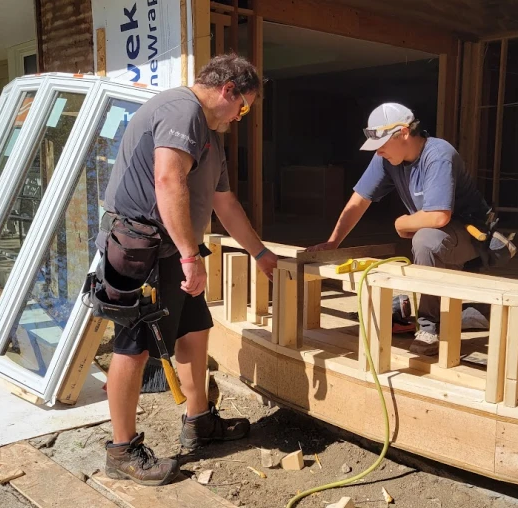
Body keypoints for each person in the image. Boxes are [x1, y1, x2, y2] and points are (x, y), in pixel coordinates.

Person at [96, 54, 278, 486]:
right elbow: (168, 181)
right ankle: (122, 451)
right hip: (145, 250)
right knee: (134, 347)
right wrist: (190, 258)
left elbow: (225, 203)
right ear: (228, 90)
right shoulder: (183, 111)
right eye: (243, 106)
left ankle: (199, 422)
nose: (239, 117)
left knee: (195, 331)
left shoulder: (210, 137)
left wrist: (260, 253)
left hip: (174, 251)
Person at [308, 103, 490, 357]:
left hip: (472, 236)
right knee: (429, 246)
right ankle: (475, 313)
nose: (378, 152)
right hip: (441, 236)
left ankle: (429, 327)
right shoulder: (386, 158)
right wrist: (333, 242)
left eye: (382, 145)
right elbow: (359, 201)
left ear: (403, 133)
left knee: (426, 240)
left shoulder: (438, 154)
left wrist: (401, 223)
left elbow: (439, 216)